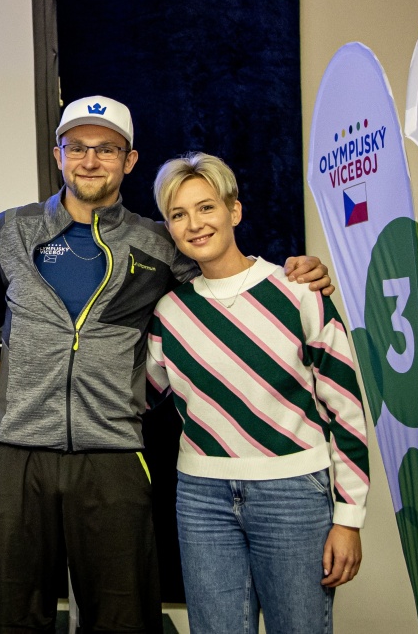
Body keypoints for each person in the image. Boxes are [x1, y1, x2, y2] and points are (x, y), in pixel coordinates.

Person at [0, 95, 333, 634]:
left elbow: (225, 282)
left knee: (123, 618)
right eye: (77, 147)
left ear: (129, 160)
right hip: (16, 452)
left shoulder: (157, 242)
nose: (90, 160)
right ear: (58, 154)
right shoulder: (13, 229)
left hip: (113, 453)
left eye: (107, 149)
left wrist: (295, 272)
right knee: (12, 617)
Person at [145, 152, 369, 634]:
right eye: (178, 215)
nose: (194, 224)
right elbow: (134, 399)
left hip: (294, 495)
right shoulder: (168, 313)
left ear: (235, 211)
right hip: (201, 499)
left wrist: (350, 517)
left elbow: (346, 410)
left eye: (206, 207)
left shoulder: (300, 291)